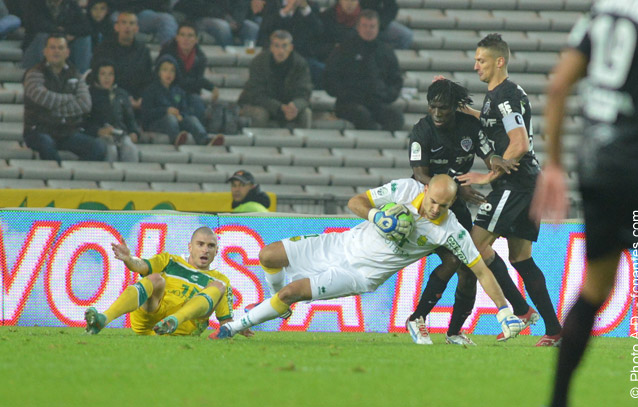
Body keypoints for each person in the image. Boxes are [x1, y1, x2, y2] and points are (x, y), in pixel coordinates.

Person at [210, 175, 526, 340]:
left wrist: (503, 310)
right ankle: (275, 305)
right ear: (426, 189)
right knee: (268, 255)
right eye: (433, 201)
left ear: (452, 204)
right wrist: (376, 216)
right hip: (340, 244)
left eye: (443, 206)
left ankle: (232, 328)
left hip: (360, 274)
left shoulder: (450, 231)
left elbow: (482, 270)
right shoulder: (404, 189)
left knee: (291, 292)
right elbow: (356, 201)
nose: (435, 209)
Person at [529, 2, 638, 406]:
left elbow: (558, 86)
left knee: (595, 288)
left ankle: (558, 400)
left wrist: (554, 165)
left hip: (594, 163)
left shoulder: (601, 12)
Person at [457, 33, 562, 346]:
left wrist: (486, 177)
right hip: (526, 184)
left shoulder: (505, 95)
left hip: (516, 184)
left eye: (481, 60)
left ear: (499, 61)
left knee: (474, 245)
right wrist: (468, 112)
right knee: (521, 258)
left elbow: (520, 143)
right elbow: (497, 122)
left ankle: (519, 310)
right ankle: (554, 330)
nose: (476, 66)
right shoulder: (500, 95)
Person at [406, 78, 517, 345]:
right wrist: (455, 187)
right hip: (427, 205)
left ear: (455, 106)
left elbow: (488, 155)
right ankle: (417, 318)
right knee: (453, 260)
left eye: (443, 107)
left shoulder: (470, 127)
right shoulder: (421, 131)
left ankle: (454, 332)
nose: (437, 113)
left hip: (455, 207)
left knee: (468, 268)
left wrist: (497, 161)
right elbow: (420, 175)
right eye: (432, 107)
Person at [85, 227, 251, 337]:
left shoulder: (220, 280)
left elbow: (225, 322)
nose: (205, 250)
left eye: (211, 246)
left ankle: (174, 320)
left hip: (182, 328)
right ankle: (103, 319)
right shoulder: (170, 260)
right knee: (156, 278)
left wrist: (239, 327)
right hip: (150, 317)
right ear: (190, 247)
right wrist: (129, 259)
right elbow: (141, 266)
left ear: (216, 251)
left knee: (218, 286)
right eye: (200, 244)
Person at [23, 34, 106, 162]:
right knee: (47, 146)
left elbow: (85, 104)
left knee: (98, 148)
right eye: (52, 47)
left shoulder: (75, 74)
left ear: (67, 52)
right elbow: (41, 98)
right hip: (39, 130)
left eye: (60, 48)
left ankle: (77, 174)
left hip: (67, 131)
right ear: (45, 51)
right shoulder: (34, 73)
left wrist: (52, 109)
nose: (56, 51)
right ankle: (57, 172)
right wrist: (71, 98)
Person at [323, 9, 404, 131]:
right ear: (358, 27)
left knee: (396, 117)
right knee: (362, 115)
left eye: (372, 26)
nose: (368, 30)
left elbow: (396, 80)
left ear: (378, 28)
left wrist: (386, 95)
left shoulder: (386, 51)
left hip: (377, 102)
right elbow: (330, 77)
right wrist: (346, 94)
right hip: (349, 103)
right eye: (364, 26)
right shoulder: (344, 49)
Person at [238, 29, 312, 129]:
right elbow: (256, 94)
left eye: (284, 46)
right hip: (260, 104)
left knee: (306, 114)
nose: (280, 51)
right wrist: (278, 107)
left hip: (287, 106)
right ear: (271, 47)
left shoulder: (300, 64)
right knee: (260, 114)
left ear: (291, 47)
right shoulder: (259, 62)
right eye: (277, 46)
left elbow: (305, 93)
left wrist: (295, 106)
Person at [142, 54, 214, 146]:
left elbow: (185, 110)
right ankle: (176, 138)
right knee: (170, 119)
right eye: (165, 70)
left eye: (172, 71)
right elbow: (146, 113)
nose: (169, 74)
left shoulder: (179, 91)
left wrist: (181, 116)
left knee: (192, 119)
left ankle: (204, 139)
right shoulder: (151, 90)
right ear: (158, 72)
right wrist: (165, 111)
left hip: (176, 121)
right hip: (156, 123)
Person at [156, 22, 219, 122]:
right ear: (176, 37)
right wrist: (208, 86)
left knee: (197, 102)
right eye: (182, 35)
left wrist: (209, 86)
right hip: (168, 92)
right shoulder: (167, 53)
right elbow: (169, 81)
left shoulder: (200, 57)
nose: (186, 39)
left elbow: (198, 82)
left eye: (190, 36)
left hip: (189, 94)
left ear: (196, 39)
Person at [91, 11, 153, 110]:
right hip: (109, 99)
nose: (127, 27)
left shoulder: (143, 51)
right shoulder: (103, 49)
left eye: (131, 23)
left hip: (137, 100)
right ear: (116, 27)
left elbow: (148, 80)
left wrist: (141, 99)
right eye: (124, 23)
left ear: (136, 29)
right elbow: (97, 77)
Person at [256, 0, 324, 88]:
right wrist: (285, 11)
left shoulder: (311, 6)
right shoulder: (273, 4)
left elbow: (319, 31)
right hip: (276, 55)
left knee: (321, 70)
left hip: (303, 55)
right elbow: (265, 29)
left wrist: (305, 9)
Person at [85, 59, 140, 162]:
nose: (107, 78)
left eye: (110, 74)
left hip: (121, 135)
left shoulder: (122, 94)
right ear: (97, 75)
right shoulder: (89, 95)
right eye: (103, 74)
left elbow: (130, 120)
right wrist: (98, 131)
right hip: (101, 136)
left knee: (130, 149)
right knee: (111, 151)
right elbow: (85, 122)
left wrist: (134, 132)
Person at [21, 0, 92, 72]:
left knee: (84, 39)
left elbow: (86, 27)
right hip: (35, 47)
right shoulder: (35, 3)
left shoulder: (71, 4)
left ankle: (81, 74)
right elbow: (38, 25)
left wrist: (65, 32)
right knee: (44, 37)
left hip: (64, 43)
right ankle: (44, 73)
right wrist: (62, 33)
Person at [173, 0, 259, 47]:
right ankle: (228, 56)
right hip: (203, 17)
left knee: (252, 28)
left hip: (231, 19)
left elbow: (242, 6)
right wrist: (223, 17)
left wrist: (237, 22)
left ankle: (249, 58)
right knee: (223, 27)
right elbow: (193, 5)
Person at [112, 0, 177, 45]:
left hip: (144, 14)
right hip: (120, 10)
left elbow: (164, 6)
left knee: (167, 20)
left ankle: (168, 55)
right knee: (114, 19)